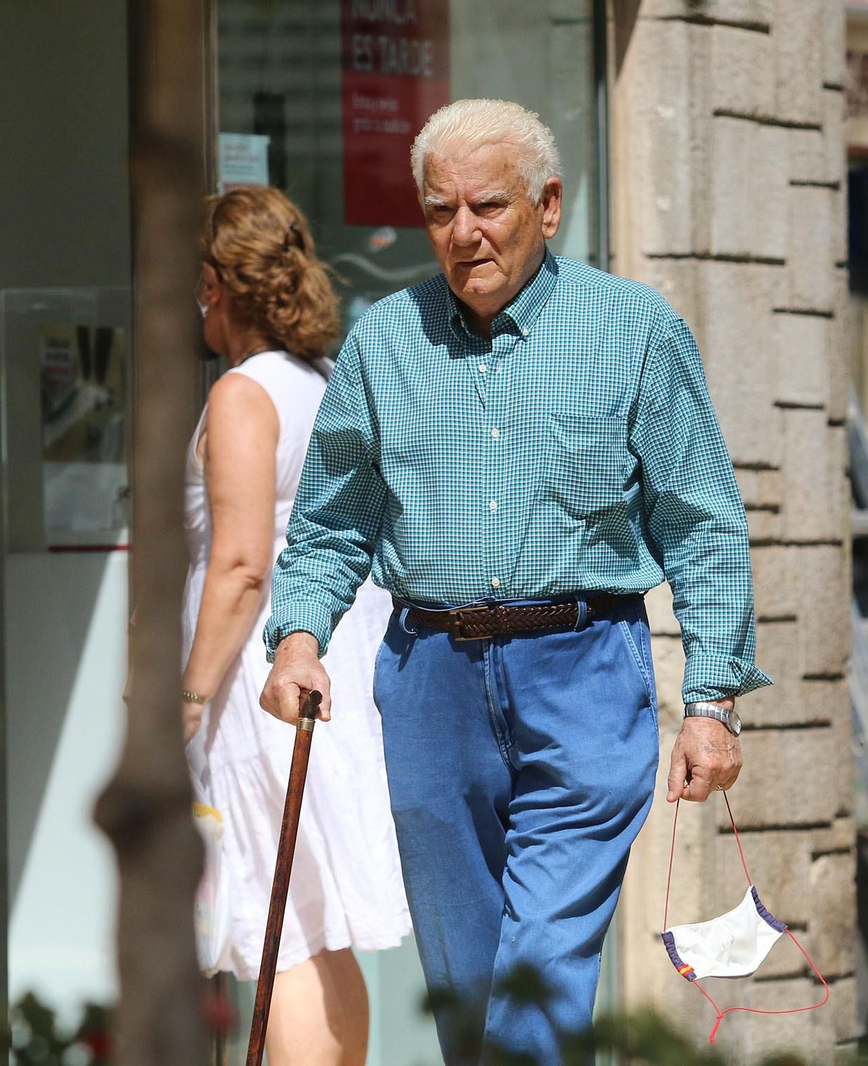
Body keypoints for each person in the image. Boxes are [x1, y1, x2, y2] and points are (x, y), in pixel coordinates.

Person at [258, 98, 767, 1065]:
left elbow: (701, 521)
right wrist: (297, 638)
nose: (463, 232)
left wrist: (713, 701)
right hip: (429, 681)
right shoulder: (384, 341)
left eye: (487, 205)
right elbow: (330, 520)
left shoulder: (634, 331)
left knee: (541, 969)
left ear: (550, 204)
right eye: (440, 211)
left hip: (583, 673)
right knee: (468, 983)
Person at [181, 186, 410, 1066]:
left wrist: (187, 696)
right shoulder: (318, 381)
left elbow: (242, 566)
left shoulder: (245, 393)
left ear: (214, 282)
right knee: (314, 920)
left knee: (277, 931)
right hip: (325, 663)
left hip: (257, 681)